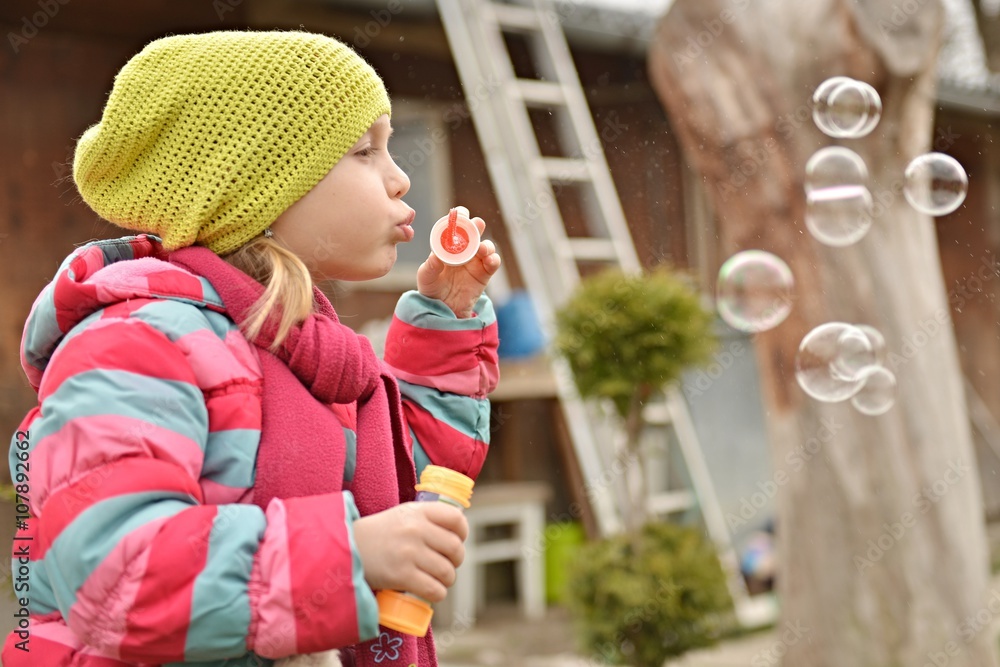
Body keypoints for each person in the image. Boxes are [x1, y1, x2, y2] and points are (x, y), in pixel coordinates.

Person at [3, 30, 501, 667]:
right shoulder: (133, 345)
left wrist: (446, 322)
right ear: (253, 189)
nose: (400, 179)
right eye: (362, 151)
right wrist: (350, 554)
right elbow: (117, 579)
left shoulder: (302, 346)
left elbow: (408, 483)